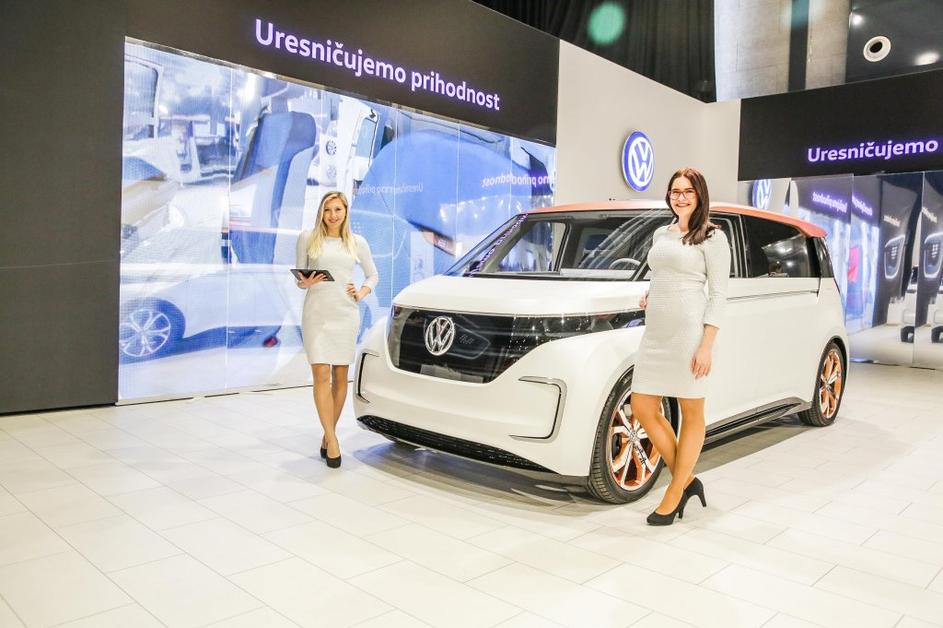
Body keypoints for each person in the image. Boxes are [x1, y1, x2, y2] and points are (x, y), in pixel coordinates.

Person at [631, 168, 730, 525]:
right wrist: (651, 292)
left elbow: (718, 295)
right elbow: (663, 274)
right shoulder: (662, 233)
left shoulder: (713, 237)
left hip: (689, 334)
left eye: (688, 191)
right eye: (675, 191)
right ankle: (687, 481)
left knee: (691, 412)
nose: (681, 197)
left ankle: (674, 493)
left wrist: (707, 345)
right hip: (656, 334)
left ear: (700, 195)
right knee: (642, 406)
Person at [296, 191, 378, 468]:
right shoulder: (308, 238)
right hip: (316, 313)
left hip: (345, 313)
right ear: (321, 212)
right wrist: (305, 283)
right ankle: (332, 440)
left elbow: (373, 274)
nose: (332, 215)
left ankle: (326, 435)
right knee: (321, 375)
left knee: (340, 377)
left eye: (338, 210)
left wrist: (361, 292)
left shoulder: (356, 242)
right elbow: (300, 278)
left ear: (345, 212)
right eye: (328, 209)